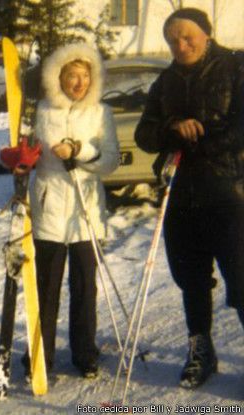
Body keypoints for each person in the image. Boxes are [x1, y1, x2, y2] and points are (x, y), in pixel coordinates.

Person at [135, 7, 244, 389]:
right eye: (172, 40)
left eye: (187, 37)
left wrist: (201, 138)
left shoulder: (236, 66)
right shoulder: (165, 81)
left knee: (241, 279)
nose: (180, 46)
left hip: (231, 193)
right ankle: (201, 350)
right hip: (181, 196)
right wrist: (172, 127)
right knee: (191, 279)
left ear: (206, 34)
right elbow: (144, 134)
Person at [26, 43, 120, 378]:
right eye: (71, 75)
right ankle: (41, 355)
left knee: (84, 288)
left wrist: (78, 151)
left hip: (84, 211)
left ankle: (85, 354)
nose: (79, 83)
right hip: (49, 209)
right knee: (45, 288)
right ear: (58, 77)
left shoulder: (100, 112)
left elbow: (110, 161)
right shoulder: (42, 111)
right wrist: (21, 160)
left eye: (85, 76)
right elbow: (28, 151)